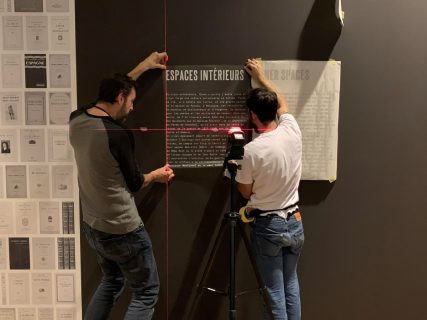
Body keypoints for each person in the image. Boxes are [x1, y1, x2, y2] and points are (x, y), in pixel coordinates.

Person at [69, 51, 174, 320]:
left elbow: (111, 94)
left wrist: (141, 67)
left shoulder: (77, 119)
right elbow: (136, 183)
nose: (132, 107)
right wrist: (157, 175)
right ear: (119, 98)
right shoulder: (117, 134)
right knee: (146, 292)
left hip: (94, 227)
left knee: (111, 281)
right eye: (131, 101)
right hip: (123, 229)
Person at [236, 59, 304, 320]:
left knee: (274, 292)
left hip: (269, 225)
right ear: (274, 110)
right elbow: (282, 100)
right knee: (291, 286)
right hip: (295, 220)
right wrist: (263, 77)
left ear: (253, 115)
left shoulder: (251, 150)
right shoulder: (292, 129)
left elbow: (244, 192)